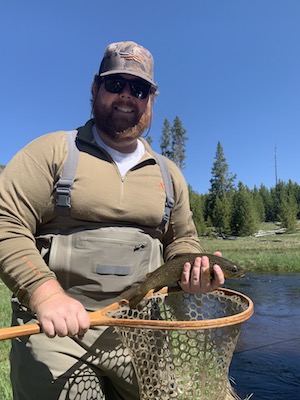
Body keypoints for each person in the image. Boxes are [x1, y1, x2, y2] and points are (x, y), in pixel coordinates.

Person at [0, 41, 224, 399]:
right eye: (115, 84)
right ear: (95, 88)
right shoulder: (53, 151)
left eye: (139, 89)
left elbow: (182, 240)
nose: (126, 96)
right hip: (57, 330)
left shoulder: (168, 174)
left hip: (141, 328)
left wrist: (192, 273)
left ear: (151, 99)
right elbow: (5, 221)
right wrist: (46, 296)